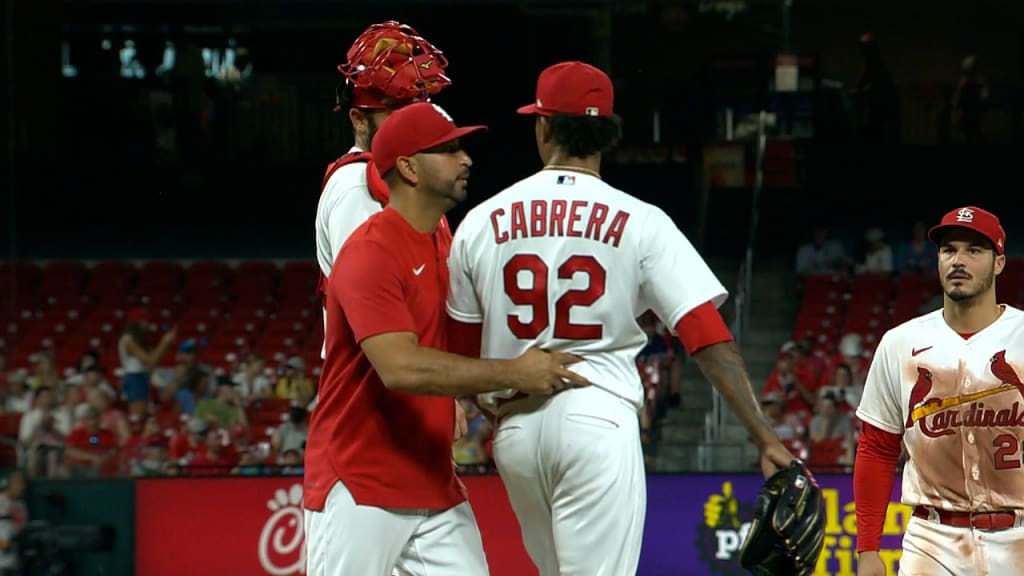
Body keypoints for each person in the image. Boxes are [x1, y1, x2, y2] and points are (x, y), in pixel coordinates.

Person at [444, 60, 796, 576]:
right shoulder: (640, 219)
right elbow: (707, 337)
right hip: (597, 416)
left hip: (515, 430)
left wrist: (480, 401)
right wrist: (764, 436)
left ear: (542, 127)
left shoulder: (481, 220)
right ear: (607, 134)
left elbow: (460, 346)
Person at [302, 102, 590, 576]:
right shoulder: (369, 252)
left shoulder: (441, 240)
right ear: (410, 167)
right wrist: (515, 373)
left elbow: (448, 341)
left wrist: (483, 391)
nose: (466, 159)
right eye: (449, 149)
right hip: (360, 477)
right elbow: (401, 367)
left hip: (430, 476)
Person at [854, 206, 1021, 576]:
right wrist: (868, 548)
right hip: (932, 540)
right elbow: (876, 447)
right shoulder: (900, 343)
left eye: (973, 250)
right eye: (949, 250)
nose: (958, 260)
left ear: (999, 263)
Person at [314, 20, 451, 355]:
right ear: (359, 120)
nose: (412, 123)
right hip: (373, 392)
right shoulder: (356, 185)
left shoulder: (404, 178)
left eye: (416, 109)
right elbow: (375, 318)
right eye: (396, 111)